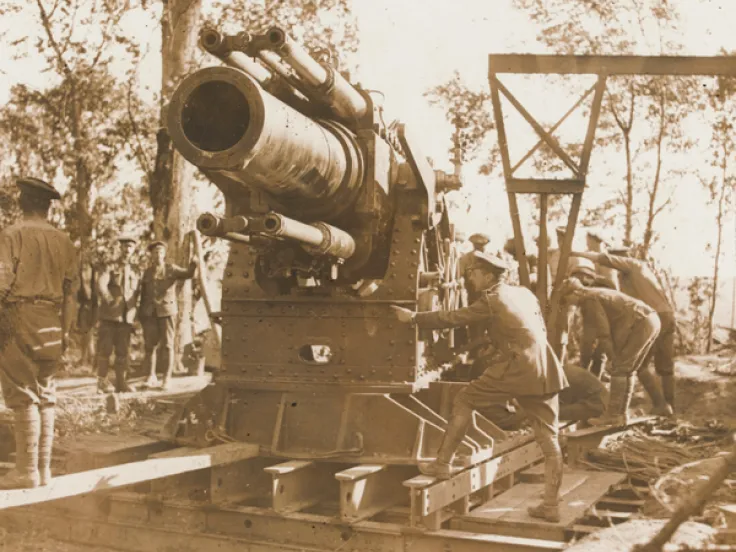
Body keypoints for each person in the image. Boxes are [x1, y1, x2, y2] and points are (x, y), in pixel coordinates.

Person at [392, 251, 567, 522]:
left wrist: (413, 318)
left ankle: (442, 464)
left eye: (473, 274)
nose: (470, 279)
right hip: (546, 368)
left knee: (464, 399)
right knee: (548, 437)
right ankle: (551, 506)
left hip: (518, 367)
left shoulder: (493, 299)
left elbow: (455, 318)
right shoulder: (523, 293)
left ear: (487, 275)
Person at [0, 177, 79, 489]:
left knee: (23, 395)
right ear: (47, 206)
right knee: (46, 395)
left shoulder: (12, 235)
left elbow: (2, 283)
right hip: (52, 320)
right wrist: (67, 331)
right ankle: (43, 471)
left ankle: (26, 471)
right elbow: (72, 294)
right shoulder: (65, 242)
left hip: (19, 316)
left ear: (23, 202)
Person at [571, 248, 675, 415]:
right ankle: (669, 407)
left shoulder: (634, 266)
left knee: (634, 366)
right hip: (664, 315)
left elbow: (603, 258)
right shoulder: (633, 276)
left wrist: (575, 253)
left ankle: (661, 405)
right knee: (664, 367)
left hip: (653, 316)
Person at [559, 278, 662, 427]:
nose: (569, 304)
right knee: (629, 370)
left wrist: (612, 357)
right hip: (651, 319)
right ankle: (621, 415)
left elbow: (603, 332)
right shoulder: (594, 293)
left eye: (567, 299)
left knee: (620, 369)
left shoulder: (588, 299)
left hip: (641, 322)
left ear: (575, 292)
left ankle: (612, 416)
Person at [138, 240, 197, 390]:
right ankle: (151, 376)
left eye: (161, 252)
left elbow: (189, 274)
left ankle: (166, 378)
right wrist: (141, 313)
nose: (158, 254)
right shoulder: (147, 272)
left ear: (164, 254)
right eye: (155, 252)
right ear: (151, 255)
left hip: (167, 312)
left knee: (168, 345)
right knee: (150, 346)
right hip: (150, 313)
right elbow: (143, 295)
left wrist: (194, 262)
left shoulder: (171, 269)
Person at [96, 234, 139, 393]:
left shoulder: (136, 270)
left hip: (127, 316)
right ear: (120, 248)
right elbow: (101, 284)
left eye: (130, 247)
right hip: (110, 315)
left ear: (134, 250)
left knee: (123, 351)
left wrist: (136, 313)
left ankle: (121, 384)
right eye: (124, 246)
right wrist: (109, 300)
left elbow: (137, 293)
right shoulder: (111, 266)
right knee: (105, 350)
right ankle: (101, 383)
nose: (127, 249)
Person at [76, 260, 98, 366]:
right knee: (85, 332)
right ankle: (86, 357)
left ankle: (89, 358)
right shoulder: (80, 282)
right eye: (84, 269)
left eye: (87, 268)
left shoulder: (95, 281)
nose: (86, 272)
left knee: (90, 332)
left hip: (95, 307)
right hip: (84, 307)